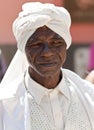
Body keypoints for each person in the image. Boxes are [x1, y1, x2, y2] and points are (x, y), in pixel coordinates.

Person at [0, 2, 94, 130]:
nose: (47, 52)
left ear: (66, 45)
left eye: (56, 42)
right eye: (36, 44)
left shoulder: (89, 95)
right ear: (24, 49)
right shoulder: (6, 104)